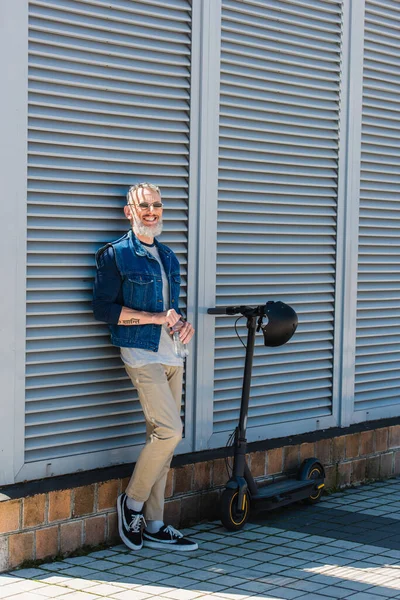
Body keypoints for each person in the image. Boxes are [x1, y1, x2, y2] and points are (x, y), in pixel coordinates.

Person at [93, 182, 198, 552]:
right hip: (141, 355)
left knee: (164, 440)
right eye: (143, 206)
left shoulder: (168, 255)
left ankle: (154, 523)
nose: (151, 212)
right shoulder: (115, 255)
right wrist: (154, 318)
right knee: (171, 432)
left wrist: (181, 323)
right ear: (129, 212)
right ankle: (132, 504)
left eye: (157, 205)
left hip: (173, 354)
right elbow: (103, 310)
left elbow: (171, 307)